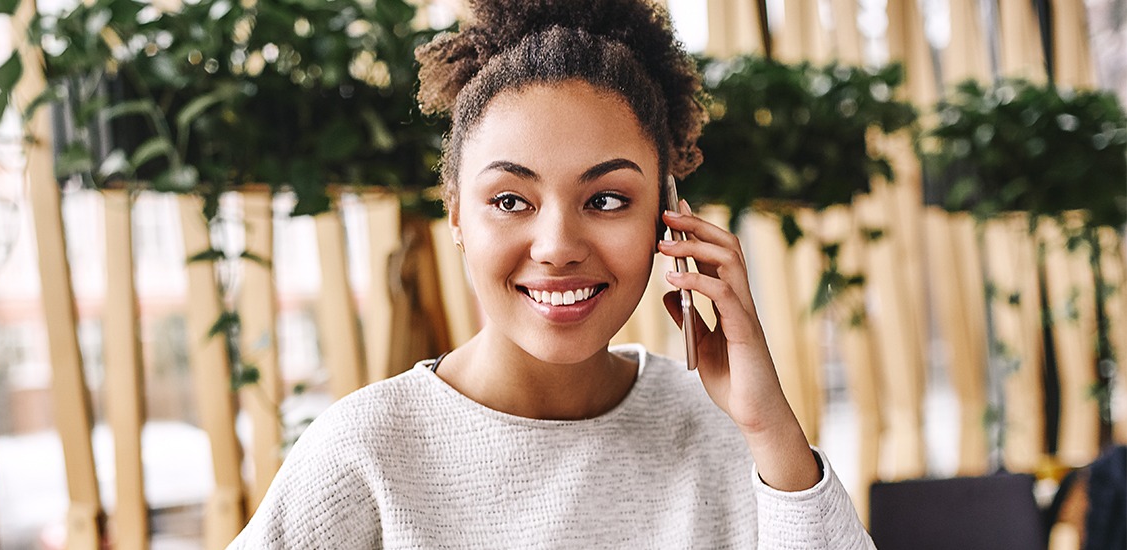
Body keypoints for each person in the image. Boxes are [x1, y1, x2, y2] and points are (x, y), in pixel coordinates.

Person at [230, 0, 875, 547]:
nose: (558, 246)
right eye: (511, 200)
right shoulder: (367, 454)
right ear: (456, 215)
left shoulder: (728, 435)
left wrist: (771, 434)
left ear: (668, 217)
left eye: (608, 200)